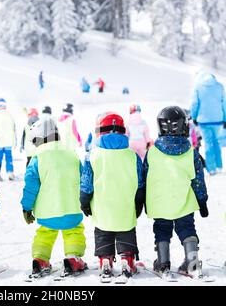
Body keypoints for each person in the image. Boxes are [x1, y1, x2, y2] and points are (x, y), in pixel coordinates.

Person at [144, 106, 209, 278]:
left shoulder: (151, 152)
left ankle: (163, 263)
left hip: (159, 202)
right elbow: (198, 181)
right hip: (184, 201)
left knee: (162, 230)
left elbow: (143, 178)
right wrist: (202, 201)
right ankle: (193, 262)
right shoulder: (191, 153)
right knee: (187, 228)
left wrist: (141, 199)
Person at [80, 112, 145, 280]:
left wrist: (85, 201)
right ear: (123, 131)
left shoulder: (92, 156)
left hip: (101, 206)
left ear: (100, 131)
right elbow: (140, 183)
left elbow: (86, 183)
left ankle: (105, 261)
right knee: (126, 230)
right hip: (125, 205)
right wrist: (139, 203)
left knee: (103, 231)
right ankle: (127, 260)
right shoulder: (133, 156)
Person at [21, 118, 87, 277]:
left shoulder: (38, 157)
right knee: (73, 231)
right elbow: (84, 179)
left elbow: (31, 185)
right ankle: (73, 258)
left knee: (44, 233)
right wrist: (86, 202)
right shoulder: (72, 154)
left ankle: (40, 259)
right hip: (72, 210)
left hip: (46, 213)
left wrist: (27, 207)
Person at [190, 73, 226, 175]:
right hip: (218, 120)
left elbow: (194, 103)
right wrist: (225, 118)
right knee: (217, 143)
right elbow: (224, 103)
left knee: (208, 143)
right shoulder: (220, 87)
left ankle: (211, 168)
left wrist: (194, 117)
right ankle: (219, 166)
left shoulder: (199, 87)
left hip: (204, 120)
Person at [0, 98, 17, 181]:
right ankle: (10, 173)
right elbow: (14, 129)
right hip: (8, 141)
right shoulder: (10, 115)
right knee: (9, 157)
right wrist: (14, 141)